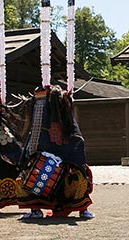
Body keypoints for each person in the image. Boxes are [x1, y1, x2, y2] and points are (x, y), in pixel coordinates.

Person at [16, 84, 95, 219]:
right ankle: (35, 209)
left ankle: (82, 208)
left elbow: (77, 142)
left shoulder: (65, 121)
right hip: (41, 154)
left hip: (63, 162)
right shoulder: (38, 127)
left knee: (80, 173)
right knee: (25, 175)